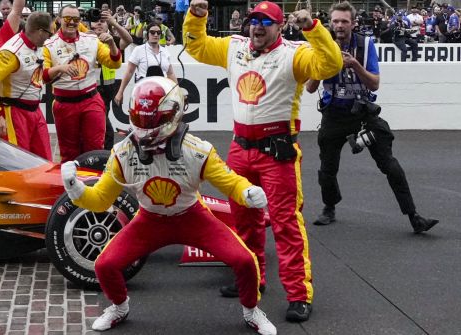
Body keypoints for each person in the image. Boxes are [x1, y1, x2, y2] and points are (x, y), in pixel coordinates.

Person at [61, 77, 276, 335]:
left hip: (192, 217)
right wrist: (75, 188)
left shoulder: (197, 150)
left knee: (245, 260)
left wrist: (247, 192)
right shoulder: (123, 153)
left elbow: (230, 182)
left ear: (173, 116)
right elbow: (100, 201)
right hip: (149, 220)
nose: (144, 130)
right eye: (139, 120)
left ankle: (252, 311)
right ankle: (119, 307)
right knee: (104, 265)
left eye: (152, 121)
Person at [183, 0, 343, 322]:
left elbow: (329, 65)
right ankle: (252, 279)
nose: (257, 26)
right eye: (254, 19)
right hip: (240, 149)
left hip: (278, 151)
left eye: (266, 21)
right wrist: (196, 16)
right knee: (243, 219)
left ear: (279, 27)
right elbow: (196, 47)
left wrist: (312, 28)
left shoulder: (294, 54)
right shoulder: (234, 46)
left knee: (286, 224)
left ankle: (299, 294)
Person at [305, 2, 438, 234]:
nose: (339, 26)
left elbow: (374, 83)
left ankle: (413, 216)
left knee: (390, 165)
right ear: (329, 23)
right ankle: (329, 207)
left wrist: (354, 64)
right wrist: (323, 67)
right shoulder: (321, 45)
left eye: (344, 21)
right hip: (334, 113)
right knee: (327, 167)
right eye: (335, 21)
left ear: (353, 24)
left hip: (363, 113)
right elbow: (309, 88)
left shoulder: (365, 44)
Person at [42, 5, 121, 163]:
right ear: (59, 20)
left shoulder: (91, 40)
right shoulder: (49, 45)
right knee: (69, 152)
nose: (72, 23)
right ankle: (72, 186)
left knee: (95, 148)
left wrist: (112, 44)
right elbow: (43, 76)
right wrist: (60, 68)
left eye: (76, 19)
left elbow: (114, 63)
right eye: (68, 19)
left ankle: (94, 184)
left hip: (91, 100)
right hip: (64, 104)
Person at [0, 11, 59, 160]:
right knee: (20, 161)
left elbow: (38, 77)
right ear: (40, 31)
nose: (50, 37)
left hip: (35, 111)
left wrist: (59, 70)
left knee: (45, 159)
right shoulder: (11, 53)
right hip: (15, 113)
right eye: (49, 33)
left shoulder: (38, 46)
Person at [90, 9, 133, 149]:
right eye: (96, 21)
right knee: (102, 125)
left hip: (107, 89)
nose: (99, 24)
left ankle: (104, 153)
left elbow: (129, 40)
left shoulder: (111, 39)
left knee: (102, 123)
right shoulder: (86, 39)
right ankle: (105, 152)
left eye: (102, 21)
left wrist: (113, 22)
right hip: (90, 88)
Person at [114, 22, 177, 108]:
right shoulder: (138, 50)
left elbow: (170, 74)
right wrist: (120, 92)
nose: (156, 35)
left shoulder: (165, 51)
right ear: (146, 34)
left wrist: (177, 92)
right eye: (152, 32)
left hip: (163, 94)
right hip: (143, 93)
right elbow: (129, 72)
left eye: (158, 33)